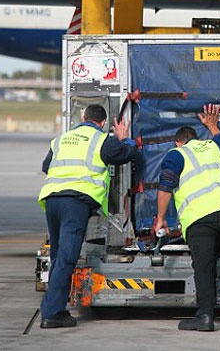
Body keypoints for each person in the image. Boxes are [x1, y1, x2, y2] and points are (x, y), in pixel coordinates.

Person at [38, 104, 139, 329]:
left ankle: (56, 307)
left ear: (83, 117)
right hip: (75, 204)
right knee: (67, 257)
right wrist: (124, 139)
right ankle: (52, 313)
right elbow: (127, 154)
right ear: (102, 123)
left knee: (58, 256)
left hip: (53, 200)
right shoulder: (102, 140)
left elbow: (47, 166)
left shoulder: (61, 139)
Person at [154, 104, 220, 332]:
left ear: (178, 142)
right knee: (210, 256)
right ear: (195, 138)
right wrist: (212, 125)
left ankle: (204, 316)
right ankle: (218, 247)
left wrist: (160, 219)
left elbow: (165, 188)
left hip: (202, 220)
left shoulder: (177, 154)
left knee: (202, 266)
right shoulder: (213, 147)